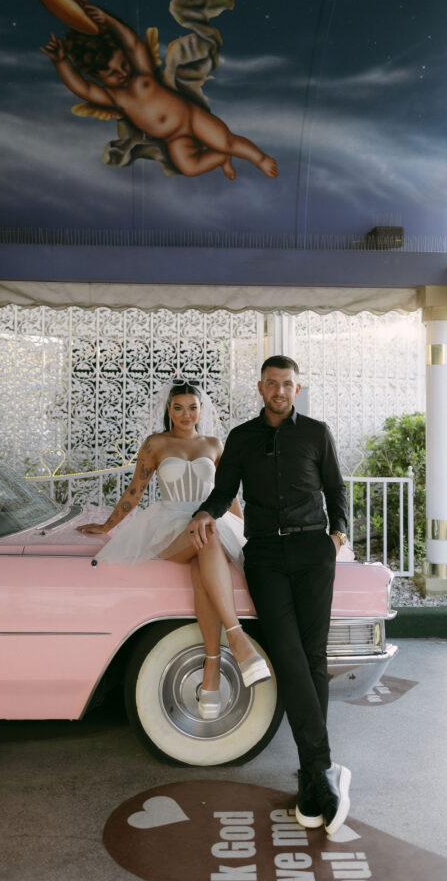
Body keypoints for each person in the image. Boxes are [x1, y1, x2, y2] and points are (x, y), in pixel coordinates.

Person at [191, 356, 351, 835]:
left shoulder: (317, 433)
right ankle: (320, 769)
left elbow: (335, 487)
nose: (279, 391)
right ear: (260, 387)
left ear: (297, 388)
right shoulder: (241, 438)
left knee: (312, 656)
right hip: (264, 555)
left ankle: (311, 776)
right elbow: (223, 492)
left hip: (312, 548)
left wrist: (338, 532)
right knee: (287, 654)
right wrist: (204, 512)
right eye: (272, 384)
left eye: (287, 384)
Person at [76, 380, 270, 720]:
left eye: (192, 407)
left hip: (210, 521)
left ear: (201, 409)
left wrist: (245, 532)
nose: (186, 414)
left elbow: (227, 495)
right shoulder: (155, 444)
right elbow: (135, 491)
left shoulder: (214, 444)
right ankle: (237, 639)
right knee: (204, 536)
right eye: (178, 407)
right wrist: (107, 526)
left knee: (204, 558)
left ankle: (211, 675)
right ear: (168, 410)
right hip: (169, 525)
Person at [41, 3, 279, 180]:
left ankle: (259, 158)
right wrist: (61, 62)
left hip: (191, 118)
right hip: (174, 138)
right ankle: (220, 157)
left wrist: (109, 21)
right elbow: (81, 88)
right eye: (112, 74)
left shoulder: (142, 75)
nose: (122, 73)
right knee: (189, 168)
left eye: (122, 65)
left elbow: (133, 45)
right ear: (97, 76)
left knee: (226, 140)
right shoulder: (114, 97)